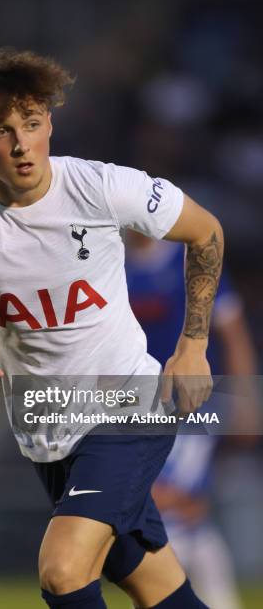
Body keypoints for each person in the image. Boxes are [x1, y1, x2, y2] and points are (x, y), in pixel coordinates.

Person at [0, 48, 224, 609]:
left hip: (129, 406)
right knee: (158, 588)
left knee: (62, 570)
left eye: (32, 124)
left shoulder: (101, 187)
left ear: (50, 122)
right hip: (47, 430)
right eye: (2, 131)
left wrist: (191, 348)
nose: (22, 144)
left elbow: (207, 232)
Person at [125, 233, 258, 609]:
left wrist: (246, 397)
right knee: (177, 511)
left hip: (194, 404)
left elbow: (232, 331)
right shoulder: (113, 264)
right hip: (137, 407)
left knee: (168, 506)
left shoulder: (189, 264)